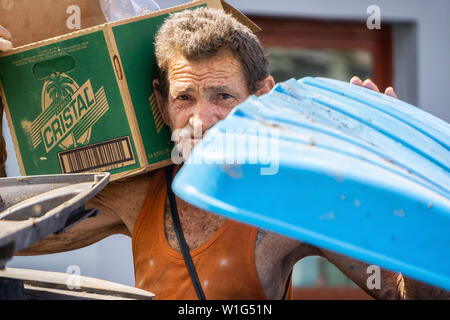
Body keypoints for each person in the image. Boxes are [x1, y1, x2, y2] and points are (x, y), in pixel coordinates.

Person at [1, 8, 448, 300]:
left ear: (261, 96)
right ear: (161, 103)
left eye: (222, 96)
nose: (202, 118)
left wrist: (395, 170)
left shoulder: (291, 200)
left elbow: (410, 294)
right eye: (184, 98)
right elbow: (13, 236)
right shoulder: (141, 195)